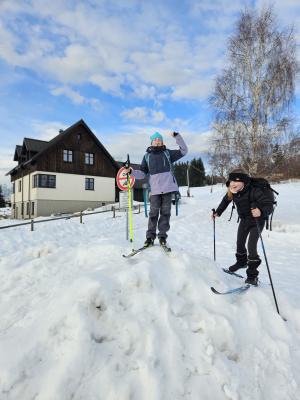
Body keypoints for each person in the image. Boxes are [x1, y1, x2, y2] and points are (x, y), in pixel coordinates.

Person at [124, 131, 188, 247]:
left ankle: (162, 236)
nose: (157, 140)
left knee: (165, 213)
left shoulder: (168, 153)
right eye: (155, 139)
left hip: (168, 188)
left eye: (159, 139)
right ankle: (150, 238)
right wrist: (132, 172)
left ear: (162, 142)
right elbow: (142, 173)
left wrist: (177, 137)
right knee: (153, 214)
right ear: (151, 142)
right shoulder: (147, 156)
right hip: (155, 190)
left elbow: (184, 151)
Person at [212, 169, 273, 285]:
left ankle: (252, 275)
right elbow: (225, 201)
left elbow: (268, 205)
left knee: (251, 246)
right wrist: (218, 213)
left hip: (257, 221)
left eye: (237, 181)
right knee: (239, 243)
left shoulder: (254, 191)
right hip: (244, 220)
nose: (233, 184)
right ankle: (241, 262)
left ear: (244, 182)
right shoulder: (232, 192)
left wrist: (260, 211)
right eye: (231, 181)